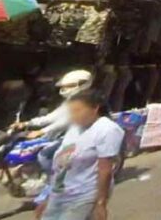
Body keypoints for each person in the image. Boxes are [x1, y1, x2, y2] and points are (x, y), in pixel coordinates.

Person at [37, 90, 124, 220]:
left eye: (78, 110)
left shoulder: (107, 129)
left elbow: (105, 170)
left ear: (95, 108)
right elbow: (61, 167)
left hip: (84, 196)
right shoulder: (75, 128)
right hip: (59, 196)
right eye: (71, 112)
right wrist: (48, 197)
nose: (73, 116)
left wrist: (101, 203)